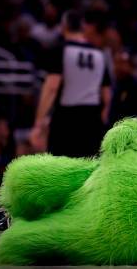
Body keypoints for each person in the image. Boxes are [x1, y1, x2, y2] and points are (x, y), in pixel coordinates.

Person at [30, 9, 112, 158]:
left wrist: (38, 122)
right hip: (92, 120)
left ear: (63, 27)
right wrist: (100, 122)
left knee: (61, 170)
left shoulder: (61, 49)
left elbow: (51, 87)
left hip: (66, 119)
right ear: (82, 27)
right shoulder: (99, 54)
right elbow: (106, 96)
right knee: (88, 170)